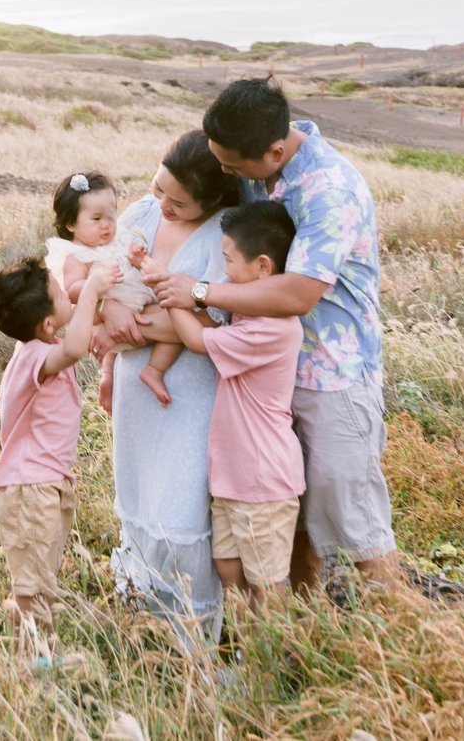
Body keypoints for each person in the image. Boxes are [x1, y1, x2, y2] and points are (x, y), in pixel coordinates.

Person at [148, 78, 397, 595]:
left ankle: (396, 632)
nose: (226, 175)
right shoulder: (256, 168)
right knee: (293, 518)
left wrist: (199, 292)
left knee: (354, 525)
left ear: (275, 150)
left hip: (331, 375)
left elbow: (299, 294)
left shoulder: (329, 189)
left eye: (233, 167)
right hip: (266, 378)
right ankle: (296, 634)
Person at [104, 129, 243, 643]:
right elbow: (98, 276)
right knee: (137, 488)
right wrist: (111, 307)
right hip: (132, 384)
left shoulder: (223, 236)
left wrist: (122, 325)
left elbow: (212, 326)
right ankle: (142, 621)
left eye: (178, 202)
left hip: (189, 393)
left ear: (211, 200)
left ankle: (190, 638)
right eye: (158, 187)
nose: (162, 204)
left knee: (179, 502)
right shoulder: (141, 213)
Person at [161, 201, 305, 605]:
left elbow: (196, 339)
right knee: (229, 570)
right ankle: (248, 654)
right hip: (232, 475)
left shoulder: (273, 329)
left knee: (267, 584)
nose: (223, 273)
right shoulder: (248, 312)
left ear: (263, 267)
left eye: (228, 261)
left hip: (263, 479)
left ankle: (273, 662)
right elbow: (208, 324)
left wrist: (174, 295)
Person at [0, 252, 112, 633]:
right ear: (46, 324)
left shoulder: (41, 347)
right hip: (29, 489)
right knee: (32, 591)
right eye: (62, 293)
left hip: (46, 484)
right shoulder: (36, 356)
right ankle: (31, 671)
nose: (68, 294)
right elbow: (74, 349)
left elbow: (77, 341)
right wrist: (90, 291)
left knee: (42, 584)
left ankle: (40, 661)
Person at [43, 171, 181, 407]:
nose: (106, 225)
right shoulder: (76, 256)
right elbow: (73, 289)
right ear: (71, 224)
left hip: (140, 302)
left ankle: (133, 373)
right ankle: (139, 371)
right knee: (173, 333)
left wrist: (137, 256)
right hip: (113, 313)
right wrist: (94, 285)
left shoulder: (120, 239)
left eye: (111, 215)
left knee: (176, 323)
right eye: (96, 219)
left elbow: (131, 259)